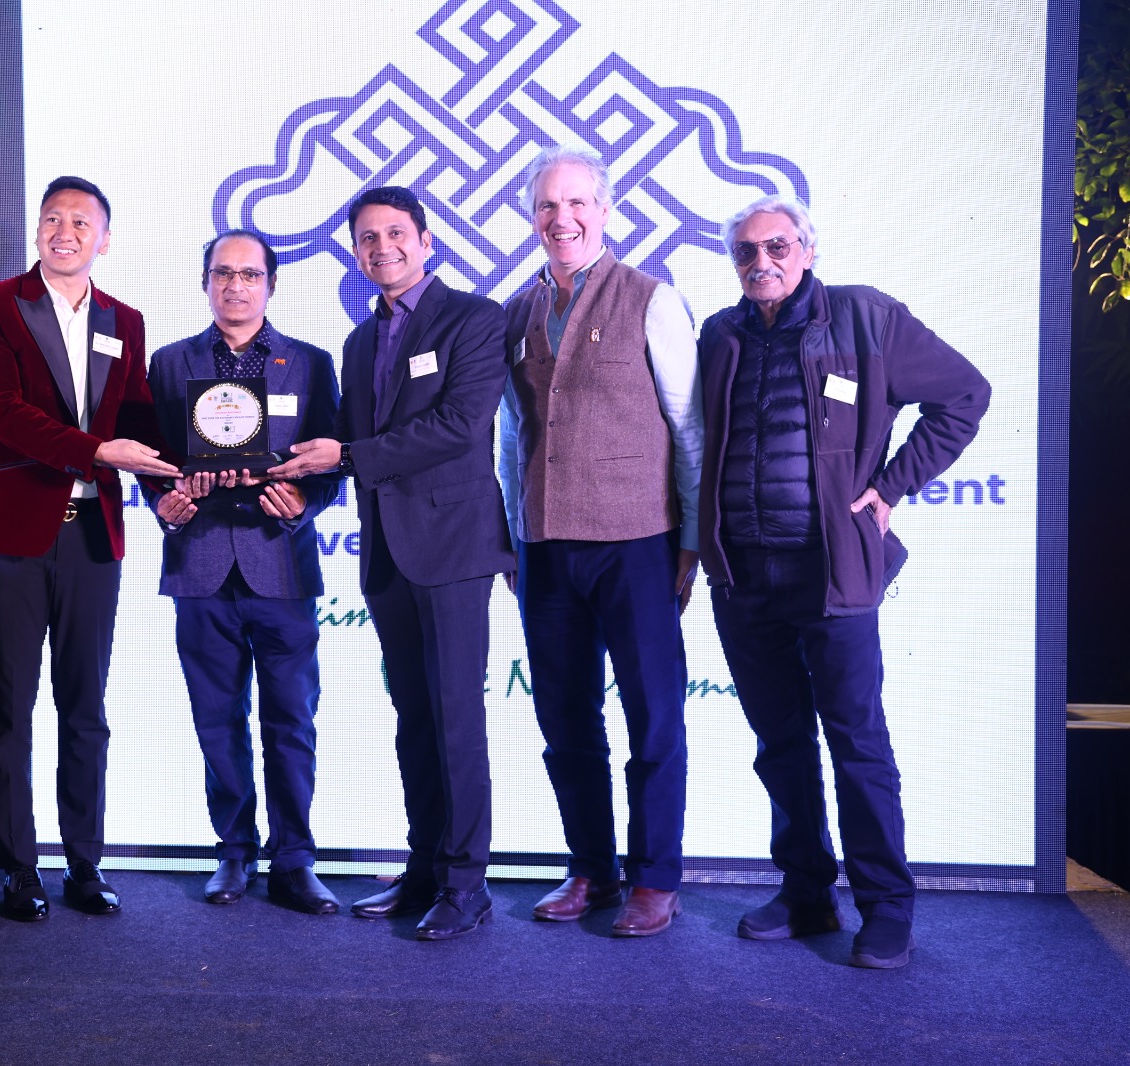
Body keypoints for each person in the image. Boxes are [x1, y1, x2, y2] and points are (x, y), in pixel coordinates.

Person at [697, 195, 990, 968]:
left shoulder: (866, 318)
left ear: (807, 250)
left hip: (832, 574)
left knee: (857, 741)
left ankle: (886, 906)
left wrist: (892, 487)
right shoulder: (720, 334)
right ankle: (806, 892)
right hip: (743, 578)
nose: (762, 262)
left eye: (778, 246)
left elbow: (965, 395)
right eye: (746, 251)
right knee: (780, 744)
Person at [270, 186, 514, 940]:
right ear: (355, 252)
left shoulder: (475, 318)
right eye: (368, 238)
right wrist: (281, 473)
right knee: (414, 717)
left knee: (456, 717)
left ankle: (467, 885)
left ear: (427, 240)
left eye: (396, 233)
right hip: (387, 551)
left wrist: (345, 454)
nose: (383, 248)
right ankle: (425, 871)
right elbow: (344, 439)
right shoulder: (359, 339)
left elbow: (459, 425)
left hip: (454, 546)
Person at [0, 176, 178, 921]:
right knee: (10, 708)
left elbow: (138, 420)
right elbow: (2, 411)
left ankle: (86, 862)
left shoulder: (124, 319)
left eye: (81, 222)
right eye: (53, 219)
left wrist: (180, 478)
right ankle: (19, 869)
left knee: (86, 707)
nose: (65, 232)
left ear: (104, 240)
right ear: (37, 231)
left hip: (92, 536)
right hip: (10, 536)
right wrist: (96, 451)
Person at [498, 146, 704, 937]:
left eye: (577, 202)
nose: (563, 218)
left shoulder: (652, 298)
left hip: (638, 542)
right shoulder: (517, 310)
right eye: (548, 206)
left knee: (653, 716)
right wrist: (514, 533)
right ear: (532, 218)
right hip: (546, 547)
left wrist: (691, 540)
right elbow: (511, 436)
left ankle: (654, 878)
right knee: (565, 718)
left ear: (606, 210)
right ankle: (590, 868)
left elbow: (688, 427)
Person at [147, 230, 342, 913]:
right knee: (216, 719)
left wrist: (304, 502)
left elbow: (333, 466)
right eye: (222, 273)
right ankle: (233, 852)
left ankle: (295, 860)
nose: (235, 285)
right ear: (205, 282)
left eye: (249, 275)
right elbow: (154, 462)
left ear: (271, 285)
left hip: (280, 567)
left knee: (291, 719)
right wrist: (166, 502)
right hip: (200, 565)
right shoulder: (170, 364)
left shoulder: (310, 364)